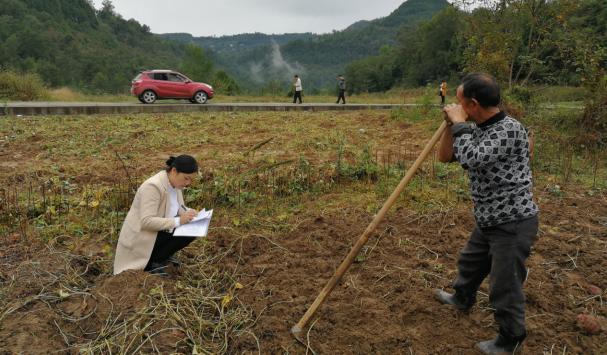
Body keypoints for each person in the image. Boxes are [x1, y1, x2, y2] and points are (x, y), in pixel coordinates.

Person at [436, 73, 539, 354]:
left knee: (504, 284)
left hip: (513, 220)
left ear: (472, 104)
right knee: (470, 262)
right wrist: (450, 127)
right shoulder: (475, 128)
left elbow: (472, 159)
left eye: (459, 103)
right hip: (489, 217)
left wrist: (458, 125)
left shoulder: (509, 129)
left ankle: (510, 338)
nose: (455, 107)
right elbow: (445, 157)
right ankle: (462, 297)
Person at [113, 155, 200, 276]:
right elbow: (146, 221)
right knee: (182, 227)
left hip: (159, 231)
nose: (188, 183)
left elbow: (179, 206)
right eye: (186, 178)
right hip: (142, 237)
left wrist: (190, 213)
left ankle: (160, 257)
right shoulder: (153, 186)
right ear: (174, 171)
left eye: (191, 180)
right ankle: (150, 263)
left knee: (193, 229)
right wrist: (179, 220)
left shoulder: (175, 185)